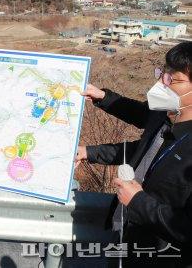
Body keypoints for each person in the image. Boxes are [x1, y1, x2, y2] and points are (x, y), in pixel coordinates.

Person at [75, 42, 192, 267]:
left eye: (171, 78)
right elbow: (142, 139)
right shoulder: (167, 115)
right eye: (162, 72)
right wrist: (101, 97)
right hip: (127, 238)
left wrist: (138, 202)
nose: (160, 82)